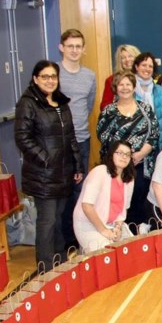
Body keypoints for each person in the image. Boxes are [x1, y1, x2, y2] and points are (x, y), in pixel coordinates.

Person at [15, 60, 83, 271]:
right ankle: (45, 268)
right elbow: (22, 137)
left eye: (53, 76)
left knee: (59, 218)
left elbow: (71, 137)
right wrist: (46, 158)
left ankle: (60, 262)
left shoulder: (61, 103)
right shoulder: (28, 103)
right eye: (45, 77)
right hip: (43, 174)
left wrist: (77, 165)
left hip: (64, 173)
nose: (50, 81)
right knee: (47, 221)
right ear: (35, 79)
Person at [96, 70, 159, 227]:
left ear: (134, 87)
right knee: (119, 200)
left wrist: (140, 154)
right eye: (121, 84)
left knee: (139, 199)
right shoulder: (108, 111)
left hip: (140, 163)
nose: (125, 88)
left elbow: (154, 134)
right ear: (115, 87)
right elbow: (103, 137)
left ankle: (140, 236)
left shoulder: (145, 109)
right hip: (116, 166)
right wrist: (122, 157)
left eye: (128, 84)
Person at [56, 29, 96, 248]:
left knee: (79, 189)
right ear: (61, 47)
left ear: (84, 49)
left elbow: (87, 106)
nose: (74, 50)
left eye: (78, 46)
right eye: (70, 46)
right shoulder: (53, 73)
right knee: (60, 190)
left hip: (81, 140)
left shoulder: (89, 76)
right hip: (57, 142)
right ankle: (61, 240)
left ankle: (74, 238)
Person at [73, 140, 134, 252]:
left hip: (111, 224)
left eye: (127, 154)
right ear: (111, 154)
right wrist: (104, 231)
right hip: (88, 224)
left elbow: (123, 210)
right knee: (106, 254)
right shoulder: (99, 172)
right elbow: (87, 206)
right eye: (120, 153)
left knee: (131, 250)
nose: (124, 157)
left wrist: (118, 228)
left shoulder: (129, 179)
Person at [133, 52, 162, 150]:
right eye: (144, 65)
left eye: (150, 66)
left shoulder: (160, 91)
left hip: (158, 144)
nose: (147, 69)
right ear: (136, 67)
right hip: (135, 145)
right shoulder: (129, 90)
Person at [100, 44, 140, 112]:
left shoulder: (144, 79)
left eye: (130, 56)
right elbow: (104, 106)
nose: (127, 60)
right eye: (123, 58)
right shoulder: (111, 80)